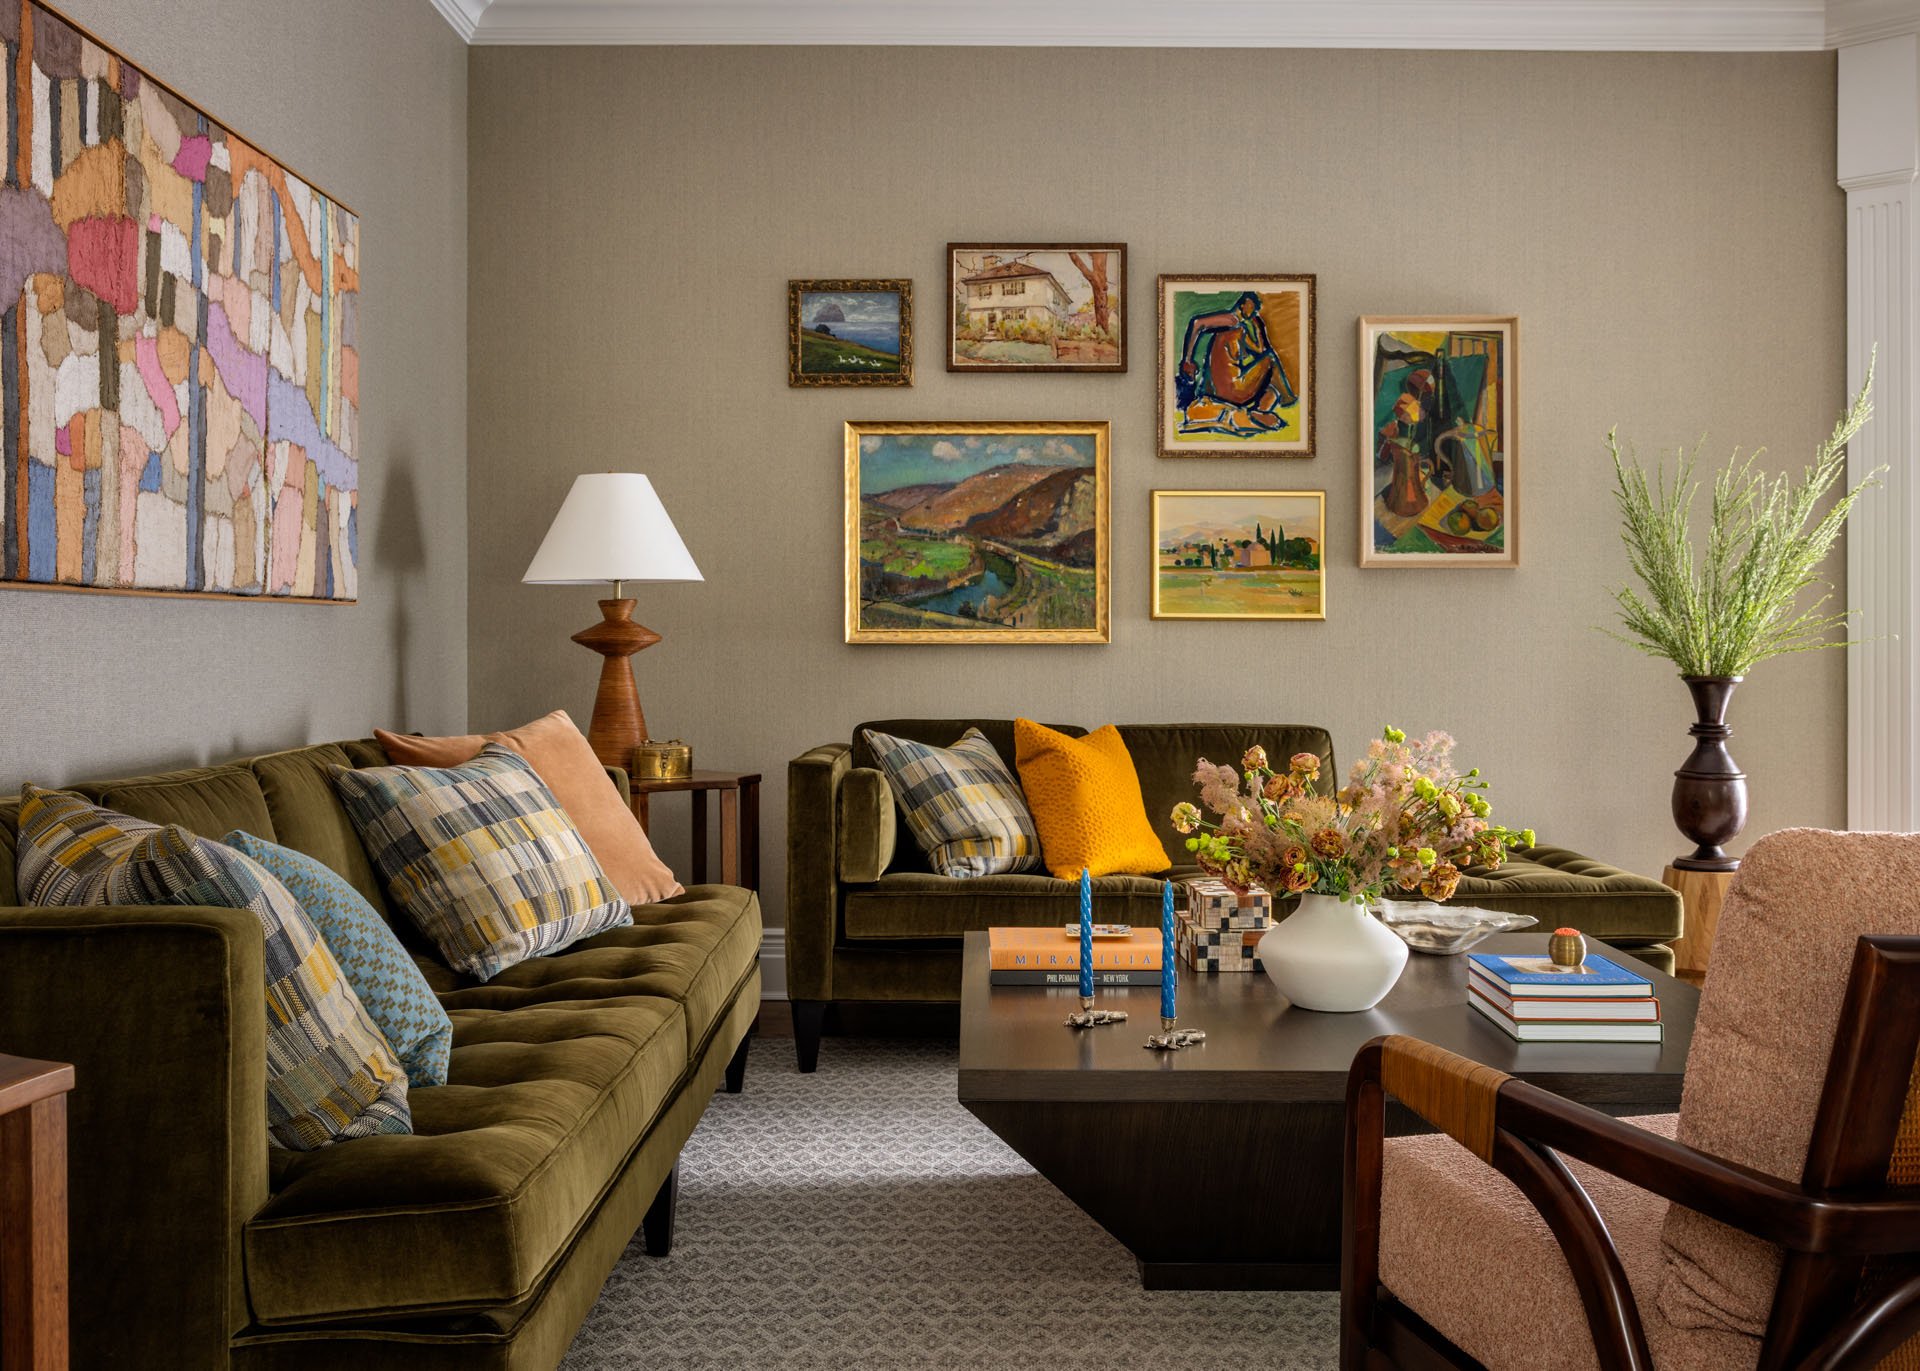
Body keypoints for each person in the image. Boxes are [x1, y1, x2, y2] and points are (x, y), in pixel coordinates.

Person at [1175, 291, 1298, 435]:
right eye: (1252, 308)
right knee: (1270, 361)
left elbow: (1260, 350)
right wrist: (1187, 359)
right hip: (1230, 390)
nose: (1254, 312)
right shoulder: (1231, 320)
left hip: (1227, 389)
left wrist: (1258, 327)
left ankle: (1259, 412)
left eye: (1256, 310)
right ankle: (1285, 401)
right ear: (1243, 304)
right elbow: (1197, 323)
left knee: (1271, 387)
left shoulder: (1240, 327)